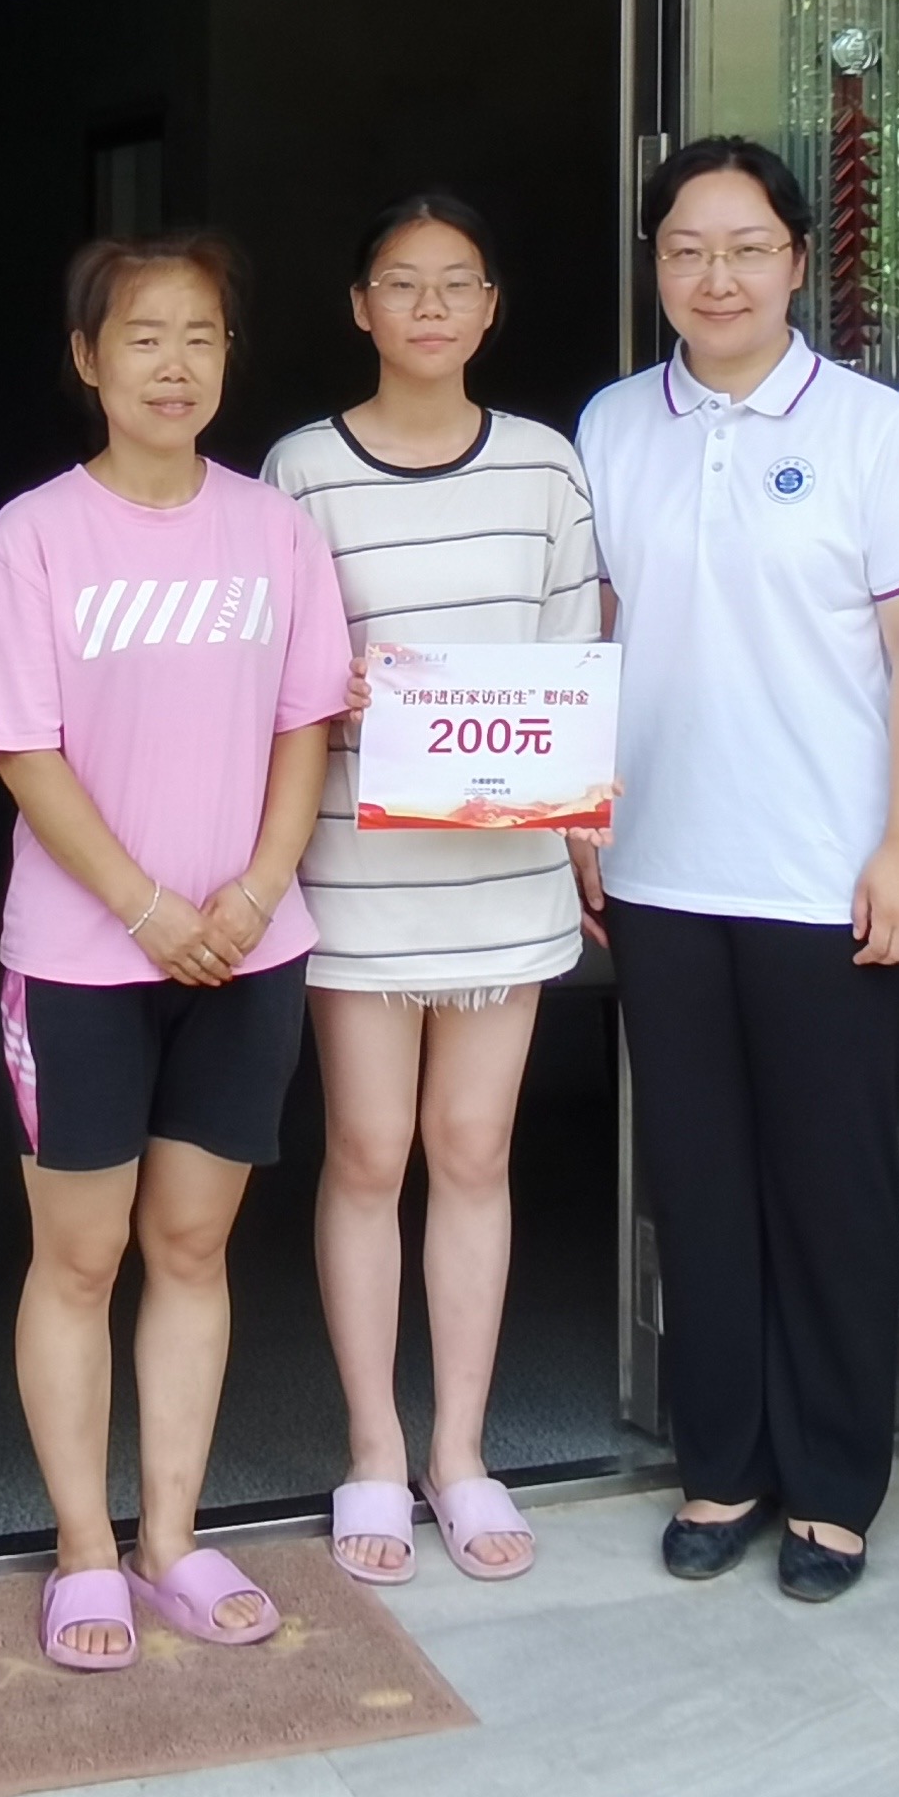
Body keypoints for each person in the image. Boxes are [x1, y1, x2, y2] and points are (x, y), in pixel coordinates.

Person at [575, 137, 899, 1605]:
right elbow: (594, 631)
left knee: (831, 1190)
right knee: (696, 1187)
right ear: (656, 265)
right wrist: (577, 814)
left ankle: (833, 1487)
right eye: (685, 250)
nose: (715, 277)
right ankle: (721, 1465)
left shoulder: (871, 428)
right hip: (662, 873)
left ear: (798, 261)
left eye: (745, 248)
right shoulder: (612, 424)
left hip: (825, 878)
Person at [0, 232, 346, 1669]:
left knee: (192, 1246)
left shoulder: (273, 530)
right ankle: (83, 1549)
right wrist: (144, 909)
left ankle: (172, 1538)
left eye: (199, 336)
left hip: (247, 952)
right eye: (141, 336)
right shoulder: (34, 535)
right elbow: (20, 747)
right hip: (80, 958)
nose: (173, 364)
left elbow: (306, 721)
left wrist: (254, 893)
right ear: (87, 359)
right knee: (80, 1257)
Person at [262, 192, 600, 1588]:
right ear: (360, 306)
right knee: (364, 1154)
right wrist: (324, 689)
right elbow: (268, 661)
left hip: (504, 873)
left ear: (489, 306)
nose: (429, 308)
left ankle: (459, 1453)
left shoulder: (545, 466)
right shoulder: (300, 470)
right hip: (357, 867)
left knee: (471, 1154)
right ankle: (372, 1450)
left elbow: (574, 656)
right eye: (401, 283)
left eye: (456, 283)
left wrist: (580, 838)